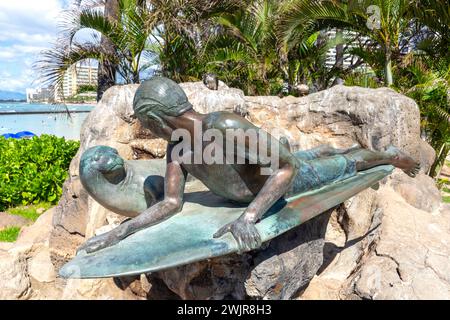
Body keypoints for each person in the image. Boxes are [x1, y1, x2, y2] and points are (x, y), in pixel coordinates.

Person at [79, 77, 419, 253]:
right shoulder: (177, 149)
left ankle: (388, 154)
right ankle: (326, 150)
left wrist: (249, 218)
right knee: (313, 155)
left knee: (348, 163)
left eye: (144, 122)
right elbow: (170, 202)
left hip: (288, 181)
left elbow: (286, 169)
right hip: (267, 176)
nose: (145, 129)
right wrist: (119, 233)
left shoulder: (223, 126)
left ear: (155, 118)